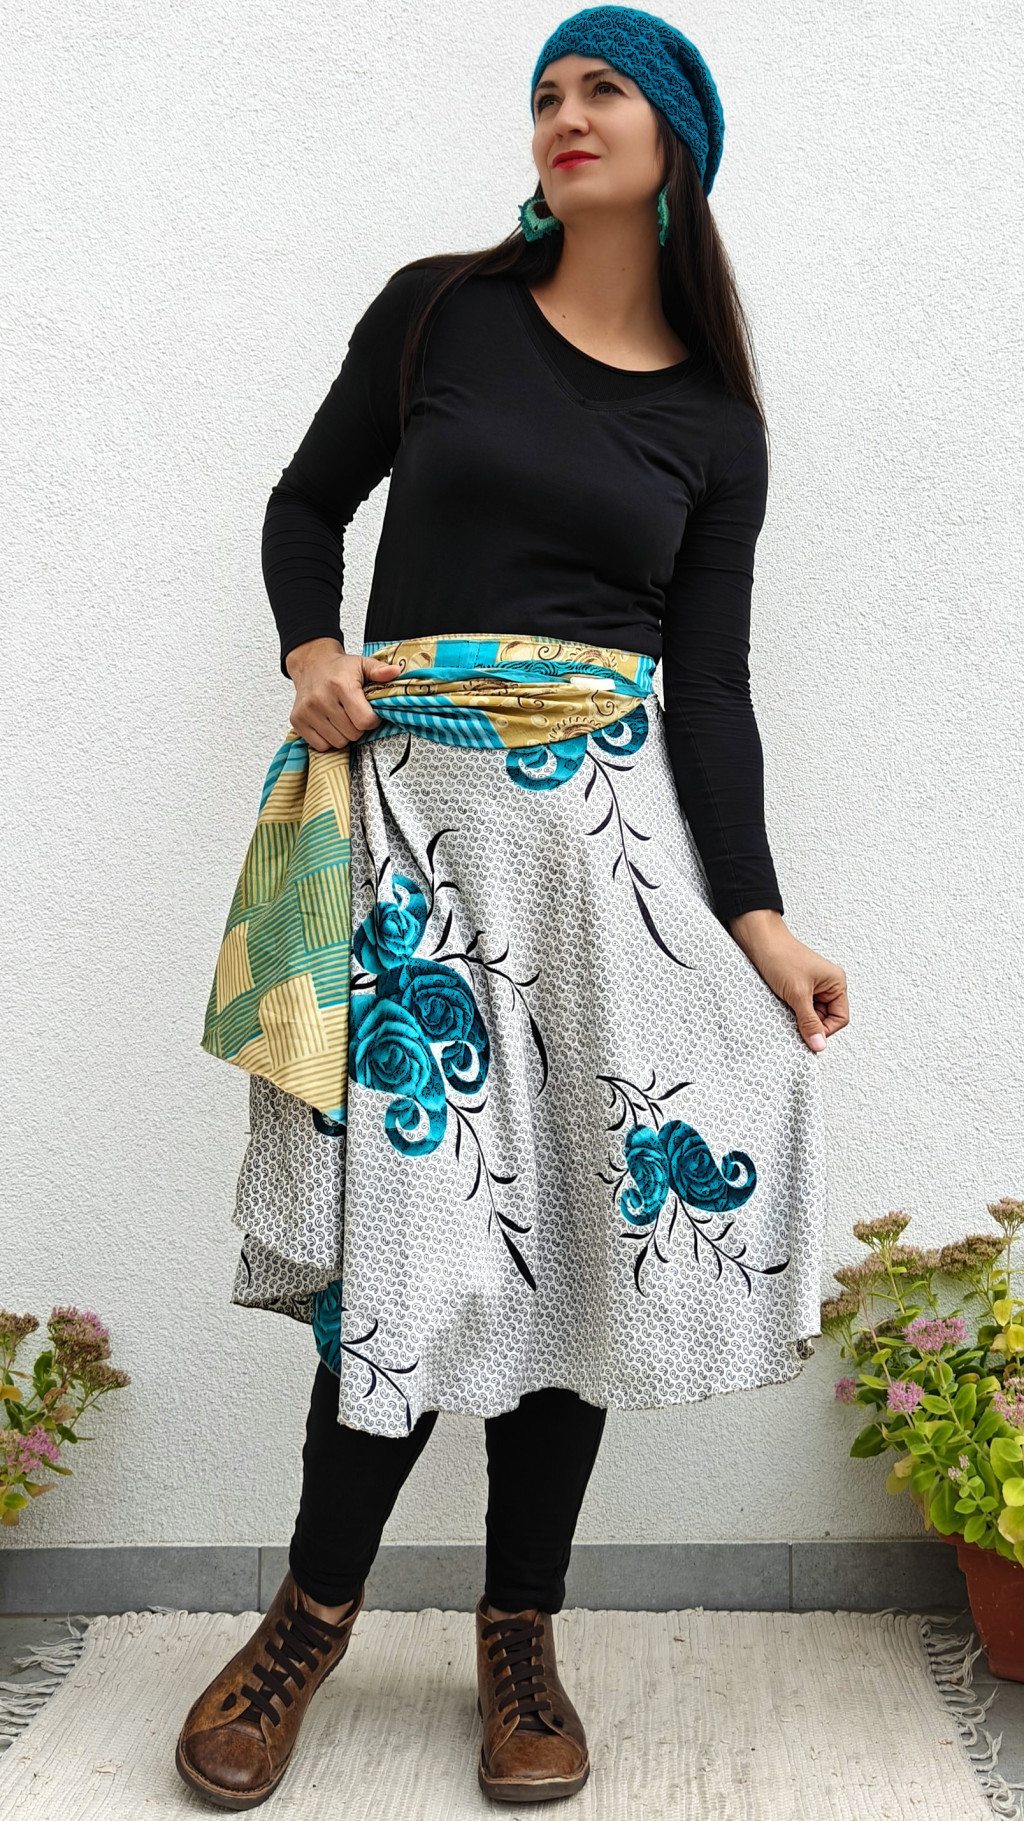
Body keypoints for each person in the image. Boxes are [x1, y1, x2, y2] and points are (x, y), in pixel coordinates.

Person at [178, 5, 849, 1808]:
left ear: (675, 138)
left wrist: (761, 921)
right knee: (409, 1236)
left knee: (581, 1231)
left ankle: (520, 1631)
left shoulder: (717, 426)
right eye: (547, 90)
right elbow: (305, 503)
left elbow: (711, 692)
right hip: (414, 846)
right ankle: (309, 1618)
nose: (565, 113)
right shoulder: (440, 312)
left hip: (607, 864)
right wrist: (311, 646)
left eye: (603, 88)